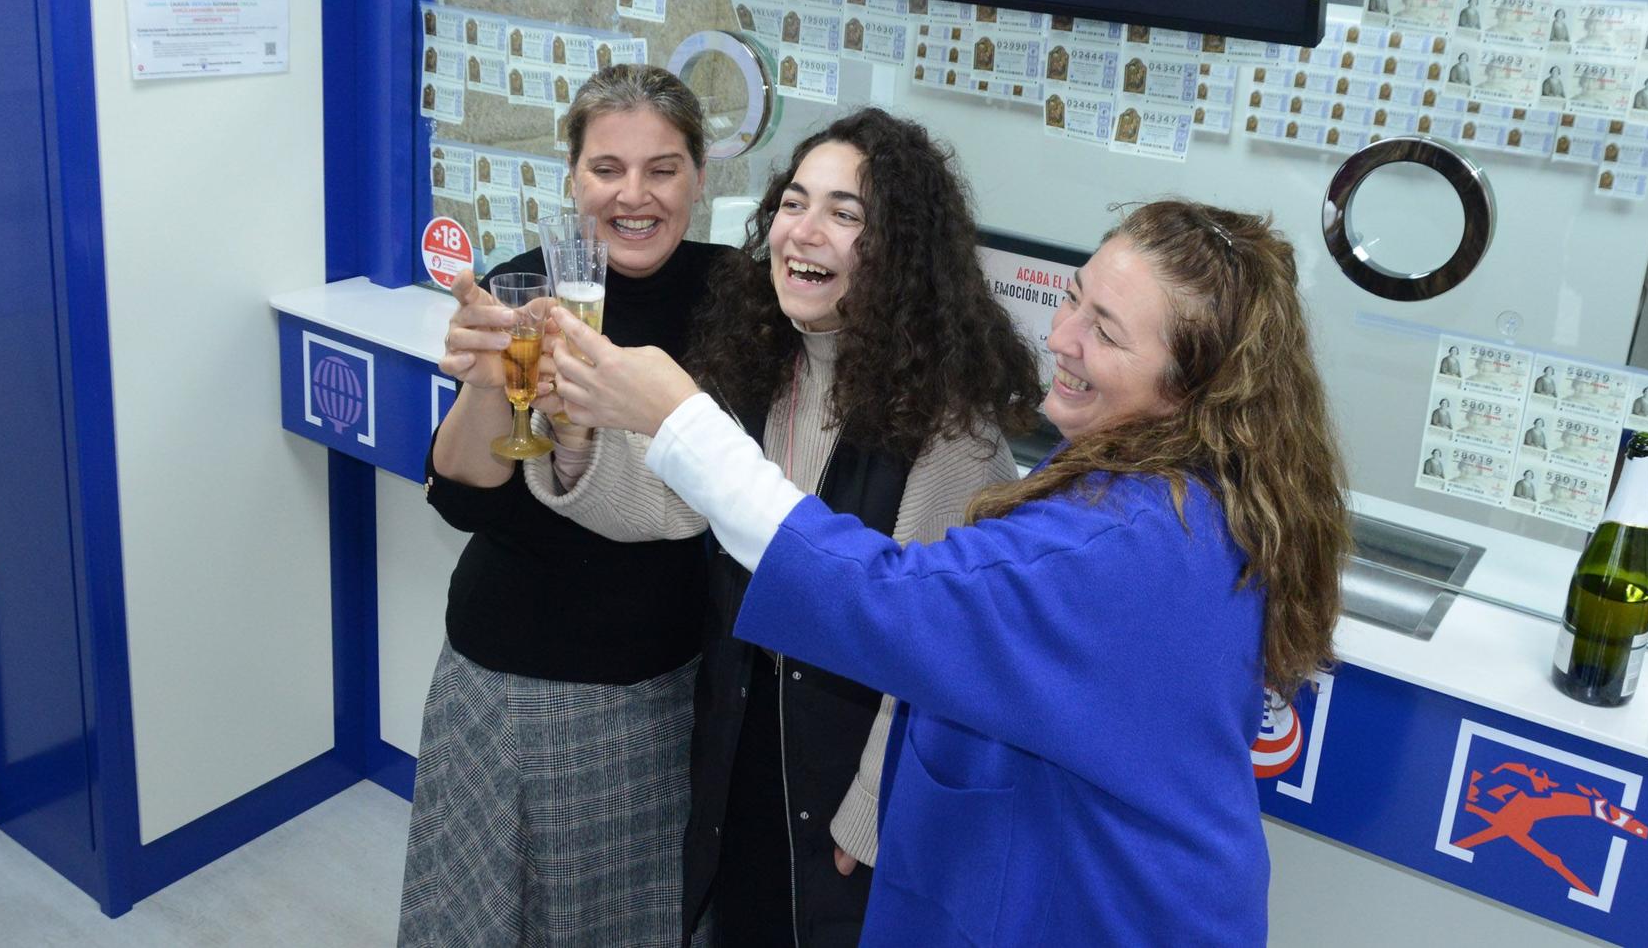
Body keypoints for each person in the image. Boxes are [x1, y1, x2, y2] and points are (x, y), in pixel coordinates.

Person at [547, 200, 1349, 944]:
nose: (1062, 337)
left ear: (1190, 389)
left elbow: (886, 598)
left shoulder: (1132, 539)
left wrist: (681, 422)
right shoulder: (1185, 478)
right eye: (1073, 299)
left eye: (1105, 332)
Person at [526, 110, 1041, 944]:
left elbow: (938, 652)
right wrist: (574, 426)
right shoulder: (760, 365)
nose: (803, 230)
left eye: (846, 213)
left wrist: (870, 812)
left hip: (845, 793)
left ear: (901, 253)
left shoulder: (954, 432)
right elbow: (664, 504)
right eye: (795, 202)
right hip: (741, 752)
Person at [400, 65, 726, 946]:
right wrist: (479, 383)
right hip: (506, 670)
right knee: (480, 920)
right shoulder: (523, 289)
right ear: (573, 178)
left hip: (662, 680)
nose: (634, 194)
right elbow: (461, 496)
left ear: (701, 176)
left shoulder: (738, 299)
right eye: (606, 168)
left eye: (663, 168)